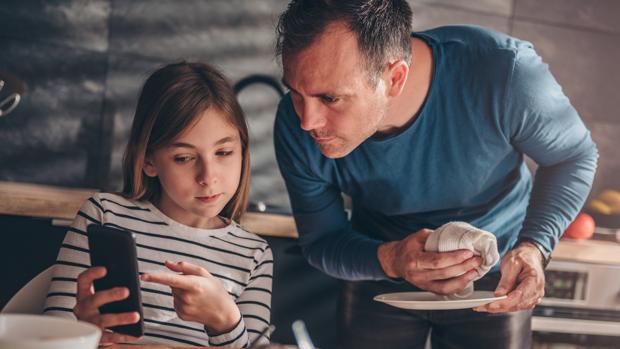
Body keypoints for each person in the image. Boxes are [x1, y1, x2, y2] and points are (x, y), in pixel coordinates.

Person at [273, 1, 598, 348]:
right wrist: (393, 258)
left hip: (496, 275)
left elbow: (573, 157)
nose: (307, 121)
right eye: (295, 92)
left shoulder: (505, 73)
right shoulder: (294, 127)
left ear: (394, 78)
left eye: (330, 98)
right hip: (378, 266)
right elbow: (322, 241)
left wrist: (534, 246)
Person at [43, 62, 273, 348]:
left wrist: (226, 322)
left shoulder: (254, 255)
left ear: (243, 150)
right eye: (184, 158)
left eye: (224, 152)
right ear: (148, 160)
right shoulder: (103, 215)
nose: (208, 177)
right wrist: (85, 332)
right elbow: (51, 338)